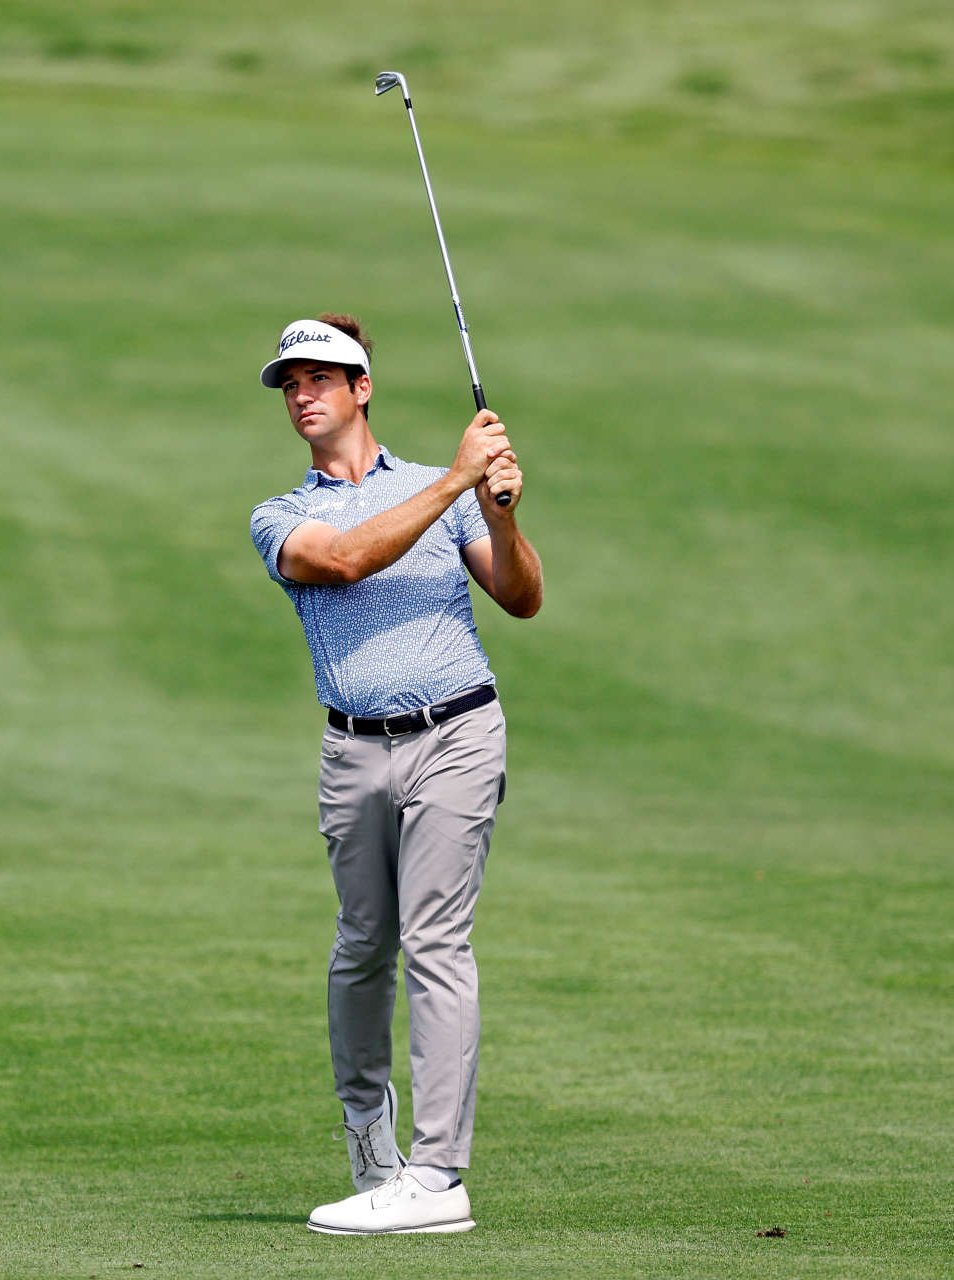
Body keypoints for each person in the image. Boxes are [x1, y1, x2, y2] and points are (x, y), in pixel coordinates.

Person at [247, 314, 544, 1235]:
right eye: (290, 382)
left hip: (456, 731)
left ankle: (439, 1174)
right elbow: (344, 561)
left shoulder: (435, 489)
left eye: (320, 378)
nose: (302, 394)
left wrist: (495, 509)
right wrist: (461, 478)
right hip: (352, 750)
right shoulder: (281, 517)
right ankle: (371, 1146)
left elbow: (522, 596)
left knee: (436, 940)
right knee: (362, 947)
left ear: (361, 387)